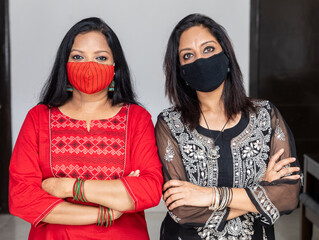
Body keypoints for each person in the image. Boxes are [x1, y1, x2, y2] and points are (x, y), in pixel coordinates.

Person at [9, 17, 163, 240]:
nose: (89, 66)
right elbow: (22, 197)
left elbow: (148, 190)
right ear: (65, 65)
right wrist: (104, 212)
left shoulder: (136, 119)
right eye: (78, 56)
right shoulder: (39, 118)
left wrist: (68, 187)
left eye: (101, 57)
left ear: (115, 68)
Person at [155, 13, 301, 240]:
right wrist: (262, 190)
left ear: (226, 56)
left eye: (208, 49)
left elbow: (289, 195)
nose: (200, 60)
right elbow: (182, 210)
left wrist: (209, 195)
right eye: (187, 55)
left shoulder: (265, 115)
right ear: (180, 70)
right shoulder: (170, 124)